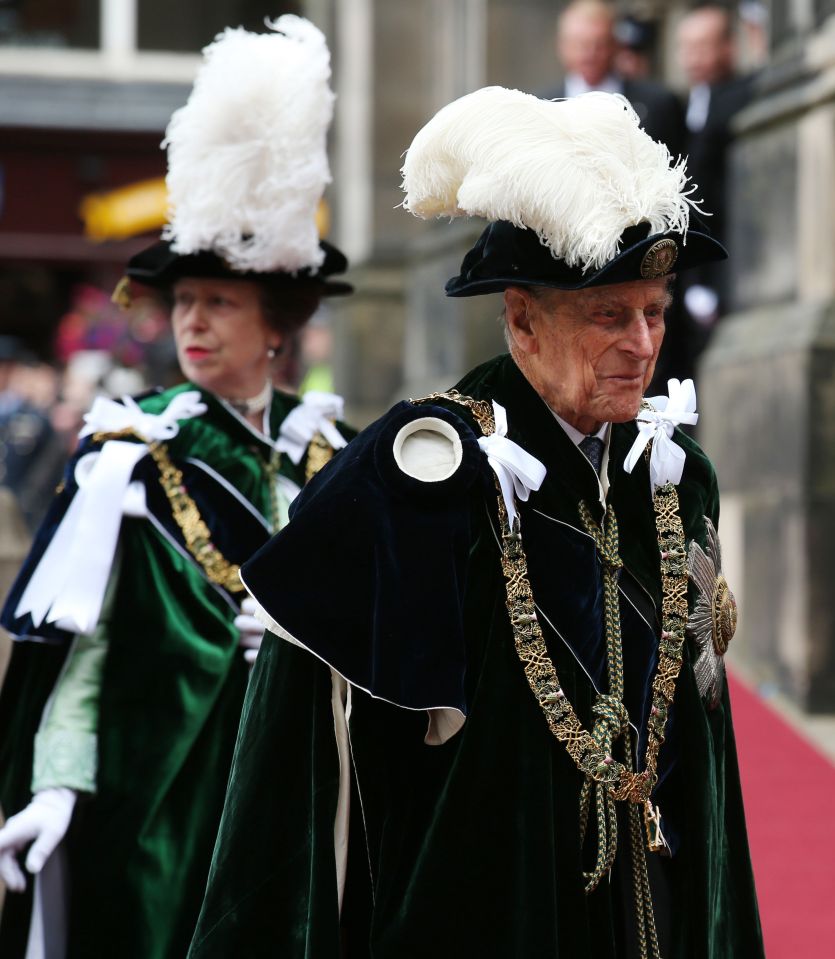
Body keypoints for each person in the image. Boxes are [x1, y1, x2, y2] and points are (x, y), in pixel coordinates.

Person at [188, 89, 764, 958]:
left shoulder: (675, 479)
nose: (642, 344)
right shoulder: (422, 474)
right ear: (521, 319)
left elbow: (703, 757)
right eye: (608, 314)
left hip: (648, 909)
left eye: (653, 311)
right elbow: (296, 761)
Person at [0, 16, 353, 959]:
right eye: (183, 301)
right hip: (159, 809)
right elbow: (83, 649)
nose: (190, 322)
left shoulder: (333, 455)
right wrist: (55, 784)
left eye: (218, 302)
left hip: (303, 793)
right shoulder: (129, 449)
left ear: (275, 323)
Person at [673, 2, 754, 379]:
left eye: (703, 46)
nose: (693, 58)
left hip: (724, 263)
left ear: (728, 47)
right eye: (687, 47)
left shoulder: (741, 95)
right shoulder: (682, 105)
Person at [542, 0, 685, 159]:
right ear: (562, 46)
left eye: (599, 44)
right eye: (580, 44)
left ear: (615, 45)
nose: (590, 53)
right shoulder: (542, 108)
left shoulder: (659, 104)